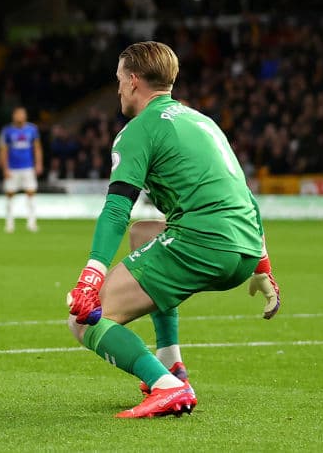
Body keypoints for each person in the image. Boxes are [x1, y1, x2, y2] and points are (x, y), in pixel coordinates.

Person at [65, 41, 281, 419]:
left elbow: (116, 207)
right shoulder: (202, 121)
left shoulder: (137, 131)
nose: (116, 88)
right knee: (143, 234)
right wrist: (262, 266)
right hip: (243, 247)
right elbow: (243, 194)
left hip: (204, 244)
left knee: (83, 319)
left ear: (133, 81)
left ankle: (168, 386)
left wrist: (90, 275)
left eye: (118, 79)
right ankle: (172, 363)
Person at [0, 106, 43, 233]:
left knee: (31, 193)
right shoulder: (7, 131)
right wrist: (5, 168)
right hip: (12, 168)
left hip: (28, 167)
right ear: (13, 116)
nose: (20, 116)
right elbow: (3, 150)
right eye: (17, 114)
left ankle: (31, 222)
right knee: (9, 194)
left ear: (25, 116)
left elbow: (37, 148)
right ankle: (9, 222)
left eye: (22, 114)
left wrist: (38, 164)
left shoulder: (32, 129)